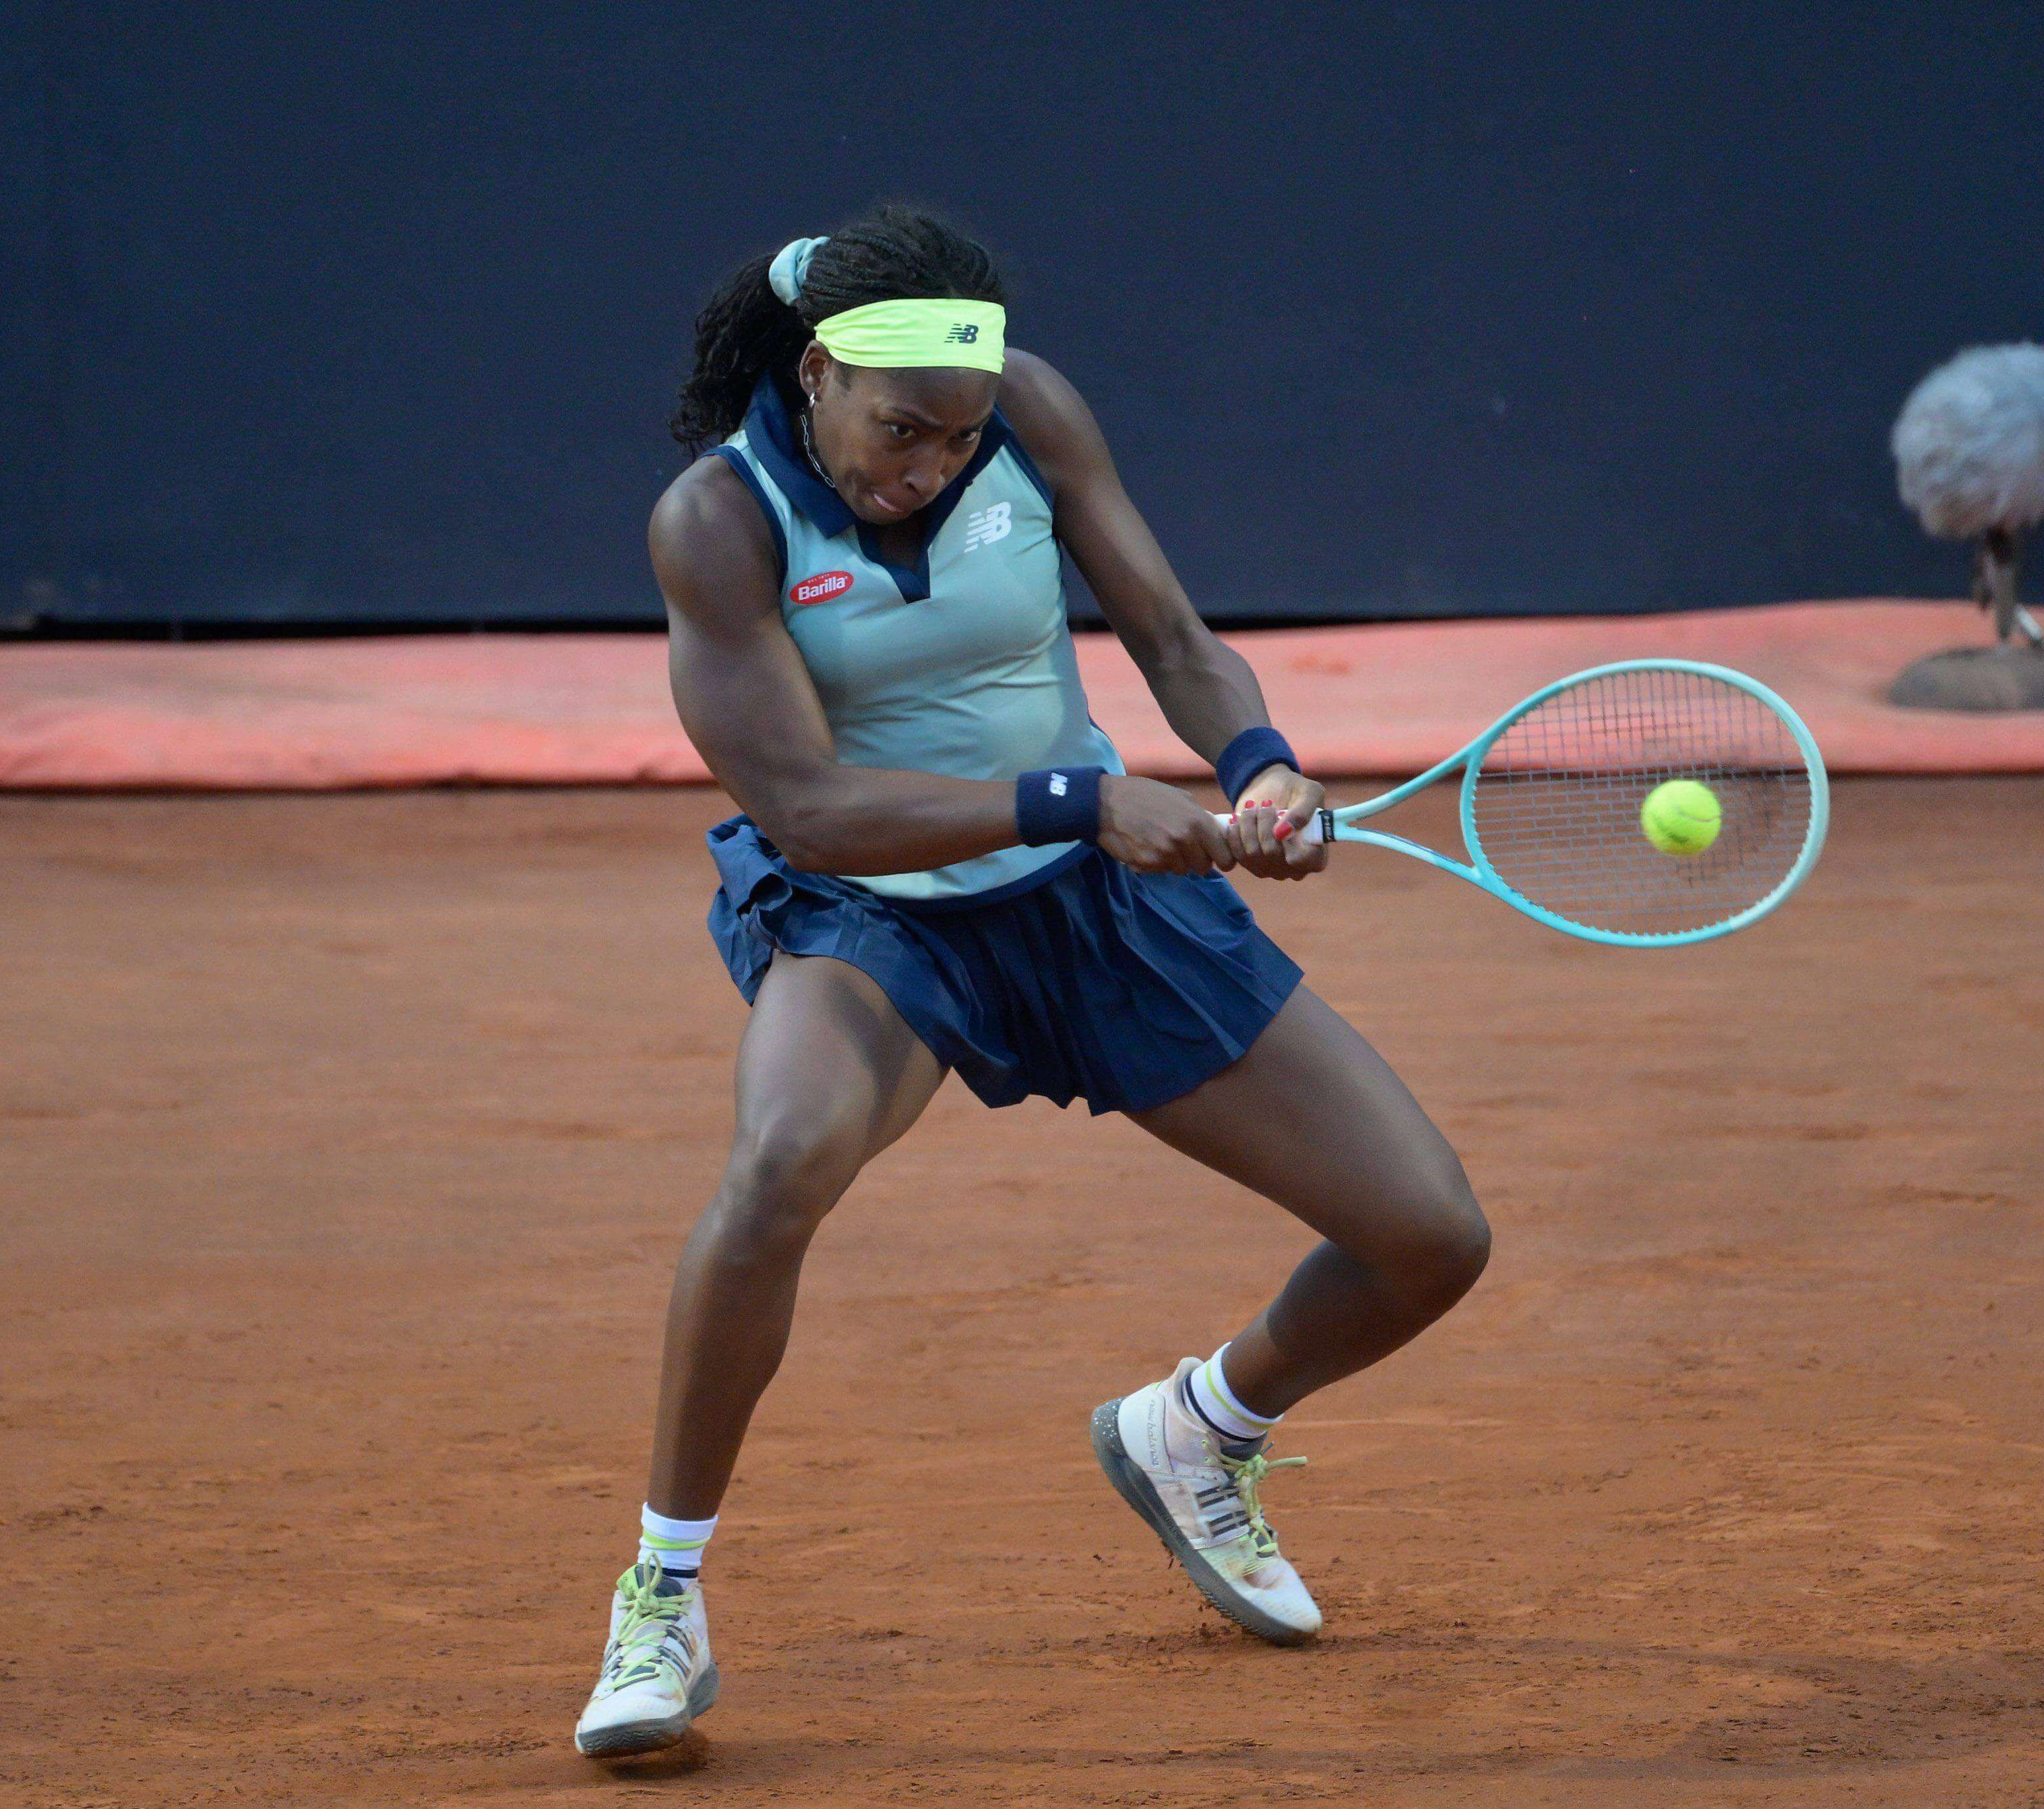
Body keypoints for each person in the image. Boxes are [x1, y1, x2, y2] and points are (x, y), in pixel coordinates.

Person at [576, 206, 1490, 1757]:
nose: (928, 462)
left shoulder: (1030, 417)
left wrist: (1257, 764)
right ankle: (660, 1597)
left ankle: (1196, 1432)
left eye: (958, 436)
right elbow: (803, 803)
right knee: (781, 1160)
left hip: (1088, 900)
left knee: (1425, 1237)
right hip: (872, 913)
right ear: (818, 373)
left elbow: (1174, 637)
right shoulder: (716, 523)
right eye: (900, 430)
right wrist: (1079, 801)